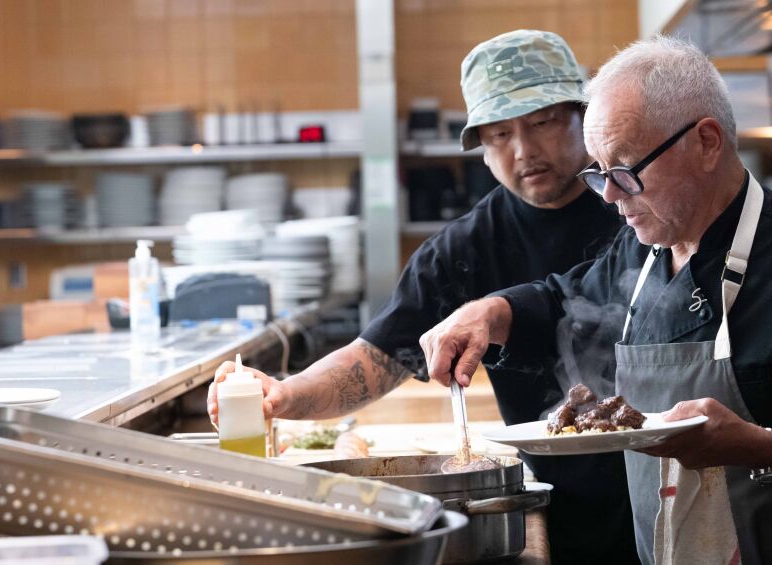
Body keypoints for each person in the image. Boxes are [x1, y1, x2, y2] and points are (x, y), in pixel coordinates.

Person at [209, 30, 636, 564]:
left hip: (671, 480)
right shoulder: (464, 250)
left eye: (544, 122)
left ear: (584, 116)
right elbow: (374, 360)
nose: (524, 149)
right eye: (499, 133)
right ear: (482, 150)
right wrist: (282, 397)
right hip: (550, 498)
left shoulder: (639, 204)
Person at [419, 35, 772, 565]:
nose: (608, 195)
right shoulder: (645, 251)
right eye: (599, 172)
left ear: (706, 142)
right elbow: (564, 302)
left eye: (625, 170)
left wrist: (755, 445)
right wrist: (491, 312)